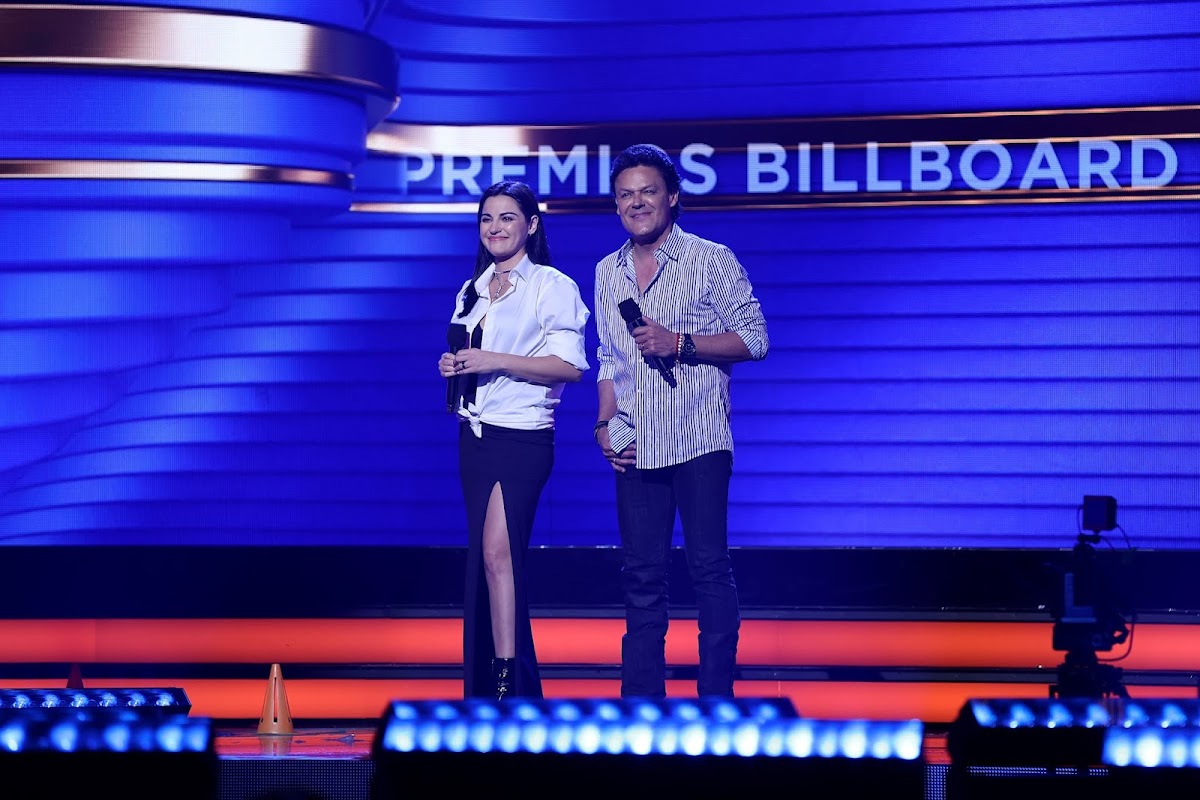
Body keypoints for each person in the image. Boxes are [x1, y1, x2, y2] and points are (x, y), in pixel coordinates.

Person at [592, 144, 770, 699]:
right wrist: (603, 424)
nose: (636, 202)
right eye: (625, 195)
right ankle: (641, 706)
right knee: (641, 577)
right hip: (636, 443)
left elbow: (756, 339)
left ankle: (715, 703)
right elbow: (609, 357)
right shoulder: (607, 271)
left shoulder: (709, 259)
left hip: (698, 439)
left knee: (708, 570)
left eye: (647, 191)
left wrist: (680, 343)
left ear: (671, 196)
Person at [438, 180, 590, 700]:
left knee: (499, 553)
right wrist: (454, 364)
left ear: (531, 224)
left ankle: (507, 684)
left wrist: (493, 360)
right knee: (485, 560)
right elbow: (470, 351)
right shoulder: (472, 289)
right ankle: (491, 684)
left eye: (507, 217)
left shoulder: (551, 285)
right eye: (487, 218)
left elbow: (569, 366)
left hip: (522, 436)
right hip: (475, 435)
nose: (495, 227)